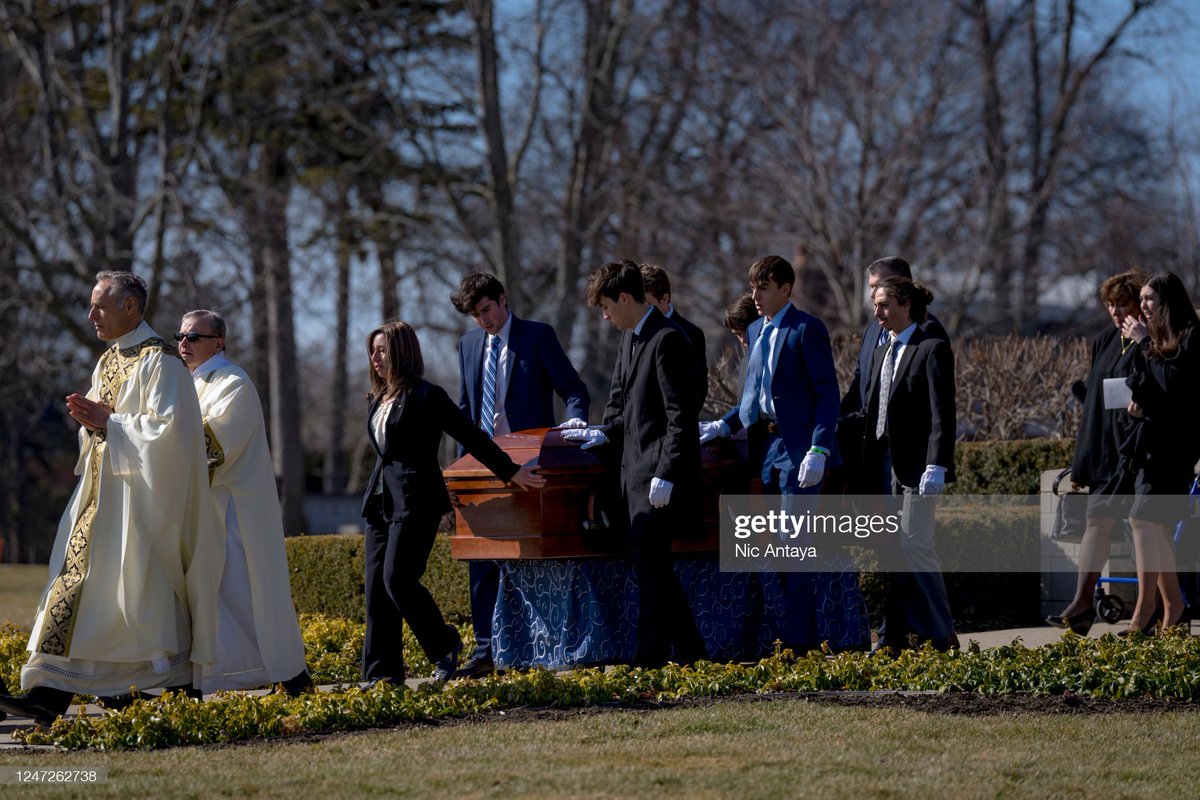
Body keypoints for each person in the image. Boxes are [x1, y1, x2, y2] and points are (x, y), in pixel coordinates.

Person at [0, 272, 221, 725]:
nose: (91, 315)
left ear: (131, 308)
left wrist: (110, 422)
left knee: (130, 597)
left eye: (100, 306)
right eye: (91, 305)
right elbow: (105, 427)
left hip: (136, 504)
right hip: (99, 497)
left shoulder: (162, 362)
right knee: (73, 587)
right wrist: (93, 422)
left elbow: (172, 436)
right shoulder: (108, 361)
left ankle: (136, 691)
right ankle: (52, 694)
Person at [362, 321, 546, 685]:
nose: (375, 357)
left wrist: (510, 471)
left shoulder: (427, 396)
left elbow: (470, 435)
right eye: (373, 350)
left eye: (382, 349)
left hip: (416, 502)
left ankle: (444, 644)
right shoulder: (377, 399)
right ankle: (382, 675)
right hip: (379, 504)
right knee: (376, 591)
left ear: (401, 351)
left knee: (398, 579)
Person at [562, 260, 707, 667]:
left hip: (658, 477)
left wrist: (666, 473)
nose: (605, 316)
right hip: (633, 474)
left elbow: (681, 418)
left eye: (607, 307)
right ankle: (692, 650)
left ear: (626, 298)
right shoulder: (630, 339)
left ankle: (651, 656)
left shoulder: (668, 340)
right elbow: (624, 409)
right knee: (653, 567)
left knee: (651, 569)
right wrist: (601, 434)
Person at [451, 272, 589, 678]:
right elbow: (463, 413)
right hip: (481, 468)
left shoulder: (537, 336)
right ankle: (484, 650)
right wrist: (459, 473)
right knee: (480, 558)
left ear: (503, 298)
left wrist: (574, 425)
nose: (484, 321)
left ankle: (533, 647)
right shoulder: (469, 344)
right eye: (476, 315)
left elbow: (574, 390)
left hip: (530, 465)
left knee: (529, 557)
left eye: (487, 310)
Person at [176, 309, 310, 693]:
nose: (183, 343)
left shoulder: (233, 383)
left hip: (235, 511)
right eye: (180, 336)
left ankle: (288, 674)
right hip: (203, 509)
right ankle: (204, 677)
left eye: (194, 337)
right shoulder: (190, 383)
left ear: (218, 343)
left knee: (248, 596)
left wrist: (163, 448)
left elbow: (216, 443)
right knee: (210, 597)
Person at [861, 276, 959, 652]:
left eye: (884, 304)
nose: (877, 311)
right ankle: (898, 636)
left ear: (906, 305)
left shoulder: (931, 347)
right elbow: (870, 412)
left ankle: (942, 633)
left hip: (917, 468)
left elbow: (942, 414)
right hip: (882, 466)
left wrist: (937, 465)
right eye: (876, 304)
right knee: (895, 551)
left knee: (915, 544)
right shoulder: (881, 351)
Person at [1045, 271, 1145, 635]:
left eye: (1124, 304)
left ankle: (1158, 608)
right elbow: (1096, 389)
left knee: (1144, 527)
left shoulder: (1149, 340)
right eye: (1110, 305)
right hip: (1104, 446)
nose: (1116, 312)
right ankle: (1082, 602)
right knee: (1096, 522)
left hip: (1136, 445)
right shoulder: (1104, 340)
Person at [698, 255, 840, 494]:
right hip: (765, 446)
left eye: (763, 288)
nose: (755, 296)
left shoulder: (806, 328)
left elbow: (827, 393)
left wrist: (819, 448)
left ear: (785, 289)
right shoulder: (755, 329)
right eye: (753, 288)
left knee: (794, 531)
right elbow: (756, 394)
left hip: (800, 446)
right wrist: (724, 424)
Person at [1118, 271, 1200, 635]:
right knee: (1157, 527)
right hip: (1148, 445)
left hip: (1175, 447)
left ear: (1168, 301)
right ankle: (1174, 607)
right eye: (1144, 299)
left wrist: (1141, 343)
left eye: (1150, 299)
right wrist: (1137, 401)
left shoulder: (1191, 336)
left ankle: (1149, 608)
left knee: (1145, 521)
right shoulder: (1156, 338)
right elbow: (1144, 382)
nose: (1144, 305)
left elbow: (1174, 384)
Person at [840, 256, 950, 493]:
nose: (875, 295)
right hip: (872, 447)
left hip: (910, 454)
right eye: (872, 289)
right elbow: (862, 385)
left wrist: (937, 462)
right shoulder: (873, 332)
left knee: (909, 527)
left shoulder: (927, 333)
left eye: (881, 286)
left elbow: (940, 408)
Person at [641, 263, 709, 410]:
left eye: (647, 304)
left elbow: (697, 389)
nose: (642, 311)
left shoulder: (691, 334)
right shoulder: (633, 331)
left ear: (664, 299)